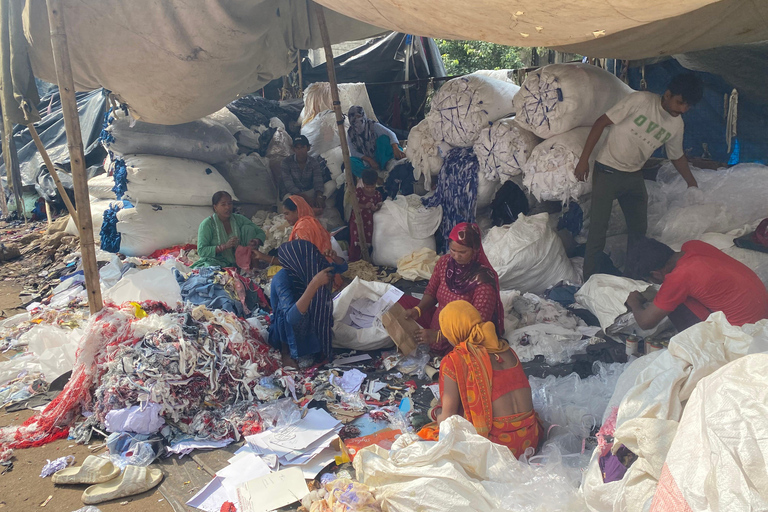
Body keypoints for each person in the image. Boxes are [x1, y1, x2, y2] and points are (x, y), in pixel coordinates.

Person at [575, 73, 704, 280]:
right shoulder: (641, 101)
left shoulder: (676, 124)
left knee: (639, 232)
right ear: (668, 94)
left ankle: (632, 278)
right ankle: (589, 281)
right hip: (607, 170)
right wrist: (583, 160)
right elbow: (600, 123)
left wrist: (692, 184)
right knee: (598, 230)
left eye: (688, 106)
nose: (683, 109)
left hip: (634, 176)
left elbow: (677, 156)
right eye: (680, 102)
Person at [417, 301, 540, 458]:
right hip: (530, 440)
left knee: (426, 437)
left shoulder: (455, 360)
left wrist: (435, 413)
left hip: (497, 449)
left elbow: (447, 421)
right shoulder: (506, 349)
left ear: (453, 331)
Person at [400, 222, 504, 354]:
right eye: (453, 250)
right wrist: (418, 310)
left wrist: (438, 336)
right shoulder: (445, 263)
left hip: (461, 338)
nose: (456, 256)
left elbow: (477, 325)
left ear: (475, 249)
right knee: (400, 303)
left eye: (463, 252)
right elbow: (431, 291)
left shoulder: (483, 280)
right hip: (438, 323)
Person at [624, 237, 768, 331]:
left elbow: (645, 323)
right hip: (761, 316)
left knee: (675, 301)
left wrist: (634, 303)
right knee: (674, 294)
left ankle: (703, 345)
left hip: (744, 334)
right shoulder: (694, 246)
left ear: (655, 273)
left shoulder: (679, 277)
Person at [269, 240, 347, 368]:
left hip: (309, 317)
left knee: (321, 302)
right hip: (285, 330)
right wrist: (314, 284)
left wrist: (335, 258)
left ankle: (318, 344)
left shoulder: (313, 267)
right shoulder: (282, 278)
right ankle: (287, 353)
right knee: (290, 312)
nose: (315, 258)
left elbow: (342, 268)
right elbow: (291, 317)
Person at [193, 191, 273, 269]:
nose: (227, 207)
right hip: (218, 261)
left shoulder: (238, 219)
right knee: (210, 268)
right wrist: (224, 246)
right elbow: (201, 251)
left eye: (230, 203)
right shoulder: (207, 224)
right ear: (215, 207)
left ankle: (252, 265)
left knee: (248, 228)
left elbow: (259, 232)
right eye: (223, 204)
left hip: (240, 260)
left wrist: (255, 240)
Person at [284, 195, 345, 288]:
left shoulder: (301, 229)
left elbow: (300, 258)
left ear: (297, 211)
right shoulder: (313, 222)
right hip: (328, 272)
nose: (285, 217)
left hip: (315, 278)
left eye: (287, 213)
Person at [347, 106, 405, 177]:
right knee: (350, 161)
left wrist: (395, 148)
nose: (357, 120)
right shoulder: (351, 133)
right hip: (367, 162)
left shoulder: (372, 125)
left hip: (380, 156)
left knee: (383, 139)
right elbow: (354, 152)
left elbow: (391, 134)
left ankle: (388, 164)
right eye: (354, 118)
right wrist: (369, 160)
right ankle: (372, 176)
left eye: (359, 116)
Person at [280, 135, 328, 213]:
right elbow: (289, 185)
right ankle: (310, 210)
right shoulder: (286, 162)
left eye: (302, 147)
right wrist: (304, 198)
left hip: (309, 192)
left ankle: (316, 204)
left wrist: (319, 195)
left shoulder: (314, 162)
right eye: (297, 148)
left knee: (331, 185)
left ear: (308, 148)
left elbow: (318, 181)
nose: (300, 151)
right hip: (293, 194)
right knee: (289, 203)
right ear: (293, 149)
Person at [348, 169, 382, 262]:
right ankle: (353, 261)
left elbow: (379, 203)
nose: (370, 189)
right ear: (363, 183)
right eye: (367, 187)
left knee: (368, 240)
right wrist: (364, 206)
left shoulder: (377, 194)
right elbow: (354, 203)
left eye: (372, 187)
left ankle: (366, 260)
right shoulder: (358, 192)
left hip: (370, 222)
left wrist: (376, 207)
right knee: (356, 240)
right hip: (358, 220)